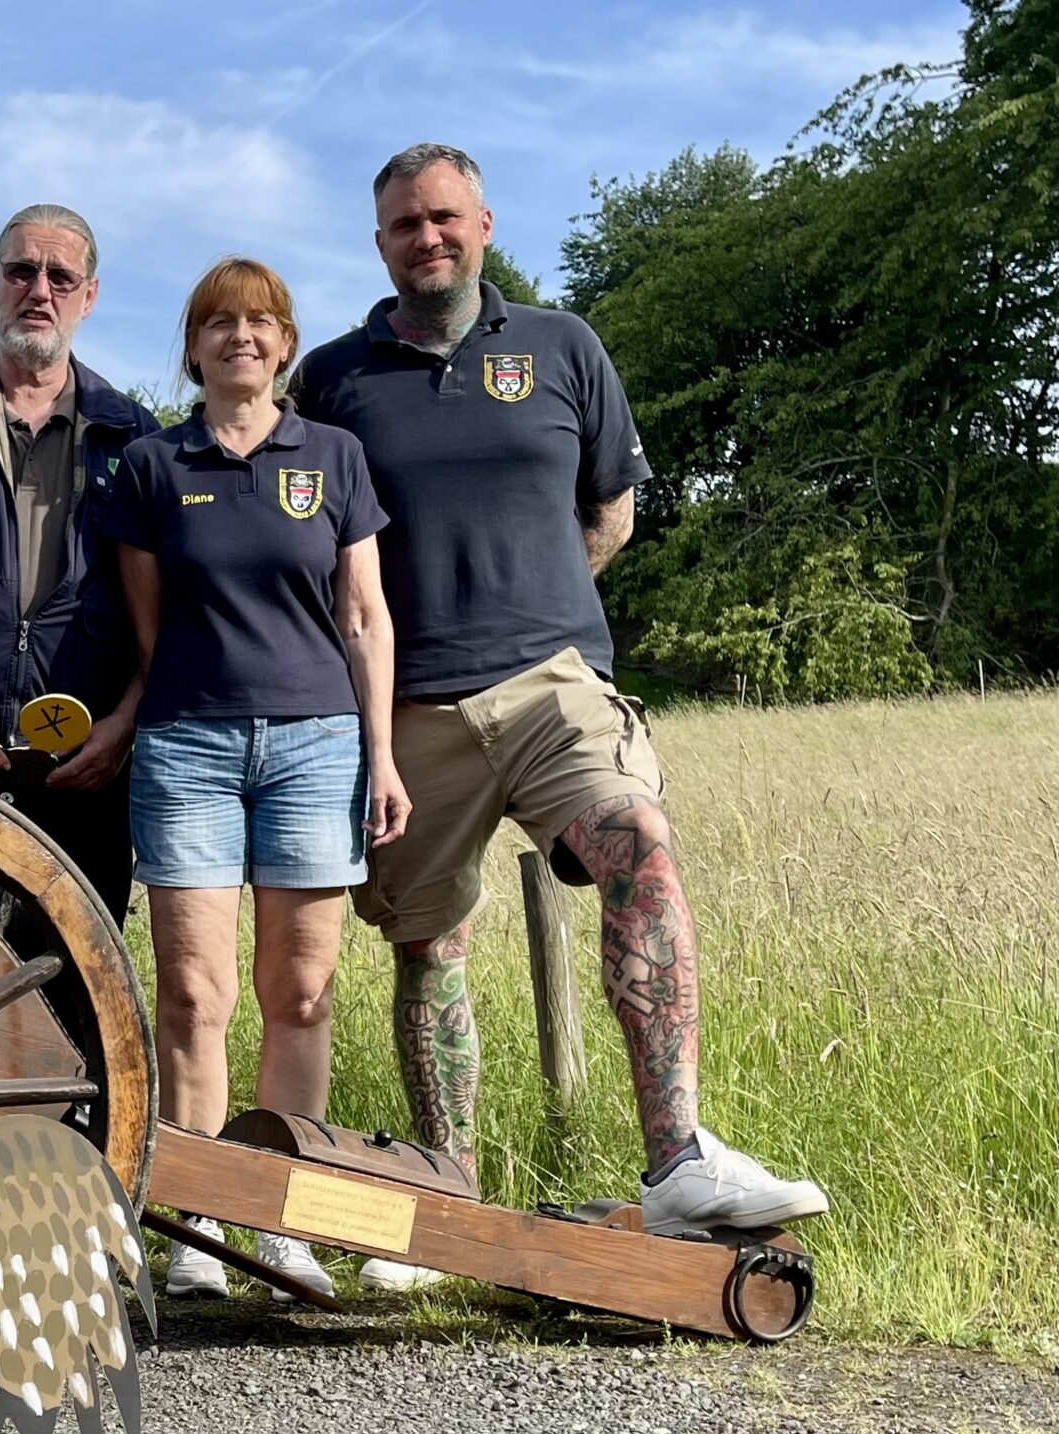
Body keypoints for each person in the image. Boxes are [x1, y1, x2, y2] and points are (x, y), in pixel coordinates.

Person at [294, 142, 827, 1289]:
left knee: (636, 838)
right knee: (428, 942)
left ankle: (677, 1160)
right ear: (377, 242)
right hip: (408, 702)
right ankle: (444, 1194)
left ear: (482, 221)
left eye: (442, 217)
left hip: (549, 684)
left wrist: (534, 604)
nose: (424, 238)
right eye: (401, 225)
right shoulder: (333, 379)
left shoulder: (562, 347)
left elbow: (611, 513)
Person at [97, 258, 410, 1300]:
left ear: (284, 345)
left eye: (261, 322)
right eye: (218, 322)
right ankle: (196, 1226)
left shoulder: (333, 457)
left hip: (319, 746)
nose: (241, 336)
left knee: (302, 991)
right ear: (191, 346)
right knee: (193, 995)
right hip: (188, 745)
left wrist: (382, 752)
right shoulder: (151, 465)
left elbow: (363, 615)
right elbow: (149, 630)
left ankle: (283, 1223)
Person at [0, 204, 160, 920]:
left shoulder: (134, 436)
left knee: (76, 986)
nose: (39, 290)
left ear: (89, 296)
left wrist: (124, 727)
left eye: (60, 276)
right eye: (21, 271)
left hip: (87, 771)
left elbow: (164, 617)